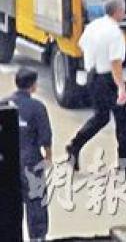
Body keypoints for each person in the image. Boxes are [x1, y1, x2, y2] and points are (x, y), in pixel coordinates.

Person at [66, 0, 126, 171]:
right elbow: (115, 62)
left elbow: (81, 45)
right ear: (118, 12)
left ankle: (75, 145)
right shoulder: (115, 33)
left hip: (92, 75)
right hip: (107, 78)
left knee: (100, 117)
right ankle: (125, 159)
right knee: (124, 119)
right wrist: (121, 87)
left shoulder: (93, 26)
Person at [2, 68, 51, 242]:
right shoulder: (37, 107)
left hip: (7, 160)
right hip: (31, 160)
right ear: (33, 86)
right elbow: (45, 137)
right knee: (36, 199)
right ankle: (37, 237)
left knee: (8, 200)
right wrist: (48, 158)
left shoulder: (3, 105)